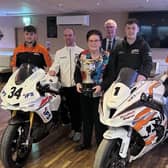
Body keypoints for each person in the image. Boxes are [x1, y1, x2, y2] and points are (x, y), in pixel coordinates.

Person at [74, 29, 110, 151]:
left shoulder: (107, 56)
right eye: (91, 41)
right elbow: (77, 72)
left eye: (96, 40)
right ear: (87, 42)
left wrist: (102, 86)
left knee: (99, 120)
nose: (93, 43)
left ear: (101, 42)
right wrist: (78, 83)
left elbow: (111, 76)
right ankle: (86, 143)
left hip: (101, 92)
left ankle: (101, 145)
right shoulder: (82, 55)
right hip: (85, 91)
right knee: (86, 118)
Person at [49, 28, 83, 142]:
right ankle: (73, 128)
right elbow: (55, 65)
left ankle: (77, 130)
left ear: (74, 36)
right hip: (64, 86)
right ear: (63, 37)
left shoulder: (81, 52)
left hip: (76, 86)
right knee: (69, 109)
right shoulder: (59, 53)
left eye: (70, 35)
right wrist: (52, 70)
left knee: (77, 109)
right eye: (66, 35)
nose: (68, 37)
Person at [103, 18, 153, 90]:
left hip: (135, 82)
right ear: (125, 30)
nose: (130, 31)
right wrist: (111, 79)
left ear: (138, 29)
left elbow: (148, 63)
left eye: (133, 28)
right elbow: (112, 64)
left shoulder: (143, 45)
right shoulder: (118, 45)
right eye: (128, 28)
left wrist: (143, 75)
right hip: (119, 82)